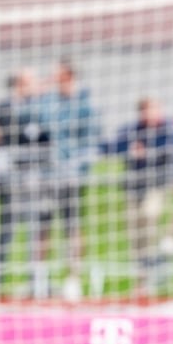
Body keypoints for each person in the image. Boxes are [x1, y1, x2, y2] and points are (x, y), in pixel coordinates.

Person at [105, 97, 173, 296]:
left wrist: (149, 153)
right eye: (149, 110)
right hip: (134, 189)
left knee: (149, 220)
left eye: (156, 109)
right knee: (135, 234)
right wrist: (131, 150)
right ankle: (142, 278)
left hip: (157, 186)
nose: (153, 114)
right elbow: (109, 147)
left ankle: (157, 260)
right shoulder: (132, 130)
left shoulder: (168, 130)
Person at [43, 58, 100, 301]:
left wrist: (78, 166)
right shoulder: (49, 102)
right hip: (48, 175)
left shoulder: (84, 104)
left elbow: (91, 139)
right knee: (43, 225)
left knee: (72, 225)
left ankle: (73, 278)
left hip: (73, 176)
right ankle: (40, 279)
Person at [0, 67, 54, 296]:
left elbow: (45, 137)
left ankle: (36, 280)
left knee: (37, 228)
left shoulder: (39, 108)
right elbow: (7, 138)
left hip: (36, 177)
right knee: (7, 228)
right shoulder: (5, 107)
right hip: (12, 177)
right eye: (30, 82)